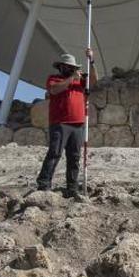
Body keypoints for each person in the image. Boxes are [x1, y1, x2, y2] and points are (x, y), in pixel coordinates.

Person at [36, 49, 97, 198]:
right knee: (55, 153)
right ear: (61, 67)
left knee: (74, 156)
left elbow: (94, 81)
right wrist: (71, 79)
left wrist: (92, 61)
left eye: (72, 67)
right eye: (66, 66)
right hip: (60, 123)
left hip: (78, 124)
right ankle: (44, 184)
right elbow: (54, 90)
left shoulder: (80, 81)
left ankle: (72, 188)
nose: (69, 69)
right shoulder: (54, 79)